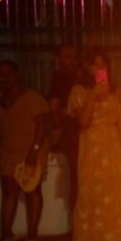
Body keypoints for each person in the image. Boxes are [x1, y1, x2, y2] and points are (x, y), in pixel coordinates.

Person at [67, 51, 121, 241]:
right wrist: (93, 95)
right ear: (87, 67)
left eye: (103, 65)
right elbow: (83, 122)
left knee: (113, 194)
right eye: (95, 65)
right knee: (88, 194)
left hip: (112, 149)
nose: (99, 69)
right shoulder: (79, 91)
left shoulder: (115, 93)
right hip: (91, 149)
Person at [0, 60, 50, 241]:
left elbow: (42, 125)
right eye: (1, 75)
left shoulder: (33, 97)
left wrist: (35, 150)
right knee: (9, 190)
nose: (5, 78)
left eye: (8, 73)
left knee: (33, 189)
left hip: (32, 149)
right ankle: (6, 233)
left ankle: (32, 233)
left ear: (17, 74)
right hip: (8, 150)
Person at [47, 43, 81, 213]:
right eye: (68, 56)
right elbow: (54, 106)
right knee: (77, 177)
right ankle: (76, 220)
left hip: (77, 132)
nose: (72, 60)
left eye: (74, 56)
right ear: (58, 59)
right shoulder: (60, 78)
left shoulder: (74, 78)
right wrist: (59, 128)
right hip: (71, 133)